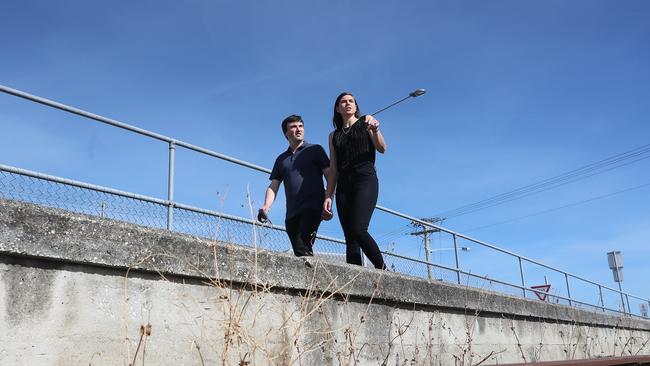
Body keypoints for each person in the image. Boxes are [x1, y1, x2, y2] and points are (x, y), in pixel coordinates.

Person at [323, 92, 387, 269]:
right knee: (350, 237)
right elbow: (334, 168)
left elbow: (382, 148)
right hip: (344, 185)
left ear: (356, 106)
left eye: (351, 101)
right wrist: (329, 195)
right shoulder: (333, 136)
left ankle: (383, 271)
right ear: (337, 108)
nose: (348, 104)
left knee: (359, 229)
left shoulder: (366, 121)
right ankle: (354, 283)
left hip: (365, 179)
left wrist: (375, 129)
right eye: (343, 102)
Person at [260, 115, 330, 257]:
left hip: (312, 206)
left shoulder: (315, 150)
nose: (298, 129)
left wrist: (329, 200)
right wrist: (266, 206)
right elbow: (274, 185)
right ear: (286, 133)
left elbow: (330, 176)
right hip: (291, 213)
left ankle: (315, 278)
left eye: (301, 126)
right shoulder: (281, 159)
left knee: (302, 245)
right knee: (301, 253)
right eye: (293, 126)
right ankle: (313, 277)